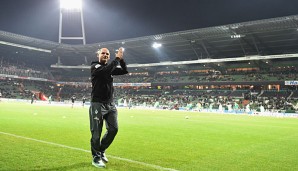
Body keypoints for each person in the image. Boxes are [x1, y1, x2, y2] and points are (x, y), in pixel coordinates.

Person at [89, 47, 128, 168]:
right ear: (98, 55)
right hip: (97, 104)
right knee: (96, 132)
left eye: (107, 54)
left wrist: (121, 60)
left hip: (110, 104)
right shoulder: (95, 66)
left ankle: (101, 150)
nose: (105, 55)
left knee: (113, 129)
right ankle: (96, 157)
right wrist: (116, 58)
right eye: (103, 53)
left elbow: (124, 71)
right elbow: (106, 71)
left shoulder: (109, 68)